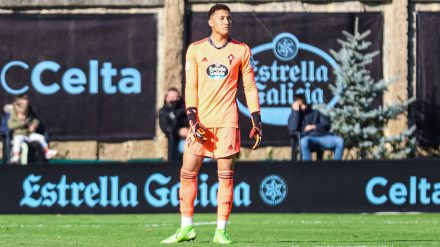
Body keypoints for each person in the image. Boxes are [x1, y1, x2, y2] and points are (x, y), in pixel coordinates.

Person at [161, 4, 262, 244]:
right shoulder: (195, 50)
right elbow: (191, 86)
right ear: (211, 22)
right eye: (221, 18)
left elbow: (249, 86)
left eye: (229, 18)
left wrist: (256, 119)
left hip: (227, 122)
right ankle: (186, 228)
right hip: (201, 124)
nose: (227, 22)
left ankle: (221, 231)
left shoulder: (241, 50)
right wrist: (193, 118)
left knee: (225, 176)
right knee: (187, 173)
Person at [288, 93, 344, 160]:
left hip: (323, 137)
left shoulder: (315, 112)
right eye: (300, 105)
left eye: (303, 103)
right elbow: (292, 128)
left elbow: (327, 123)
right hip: (309, 138)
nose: (303, 106)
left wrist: (314, 126)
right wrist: (295, 112)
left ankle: (336, 166)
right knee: (304, 142)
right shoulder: (295, 115)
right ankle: (308, 167)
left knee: (340, 141)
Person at [7, 94, 57, 164]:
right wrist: (22, 122)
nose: (24, 115)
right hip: (19, 135)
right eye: (24, 102)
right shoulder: (13, 113)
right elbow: (10, 125)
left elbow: (35, 119)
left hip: (29, 134)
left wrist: (34, 125)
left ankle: (47, 152)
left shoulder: (29, 110)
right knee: (17, 141)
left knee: (41, 138)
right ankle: (16, 157)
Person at [159, 87, 189, 161]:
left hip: (190, 138)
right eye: (172, 97)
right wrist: (179, 131)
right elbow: (166, 128)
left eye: (177, 97)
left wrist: (189, 131)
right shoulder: (164, 112)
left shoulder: (185, 109)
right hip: (176, 141)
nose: (175, 99)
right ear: (167, 98)